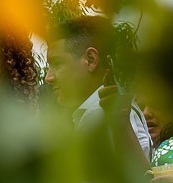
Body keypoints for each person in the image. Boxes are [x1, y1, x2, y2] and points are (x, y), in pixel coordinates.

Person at [44, 15, 151, 168]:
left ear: (91, 60)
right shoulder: (93, 113)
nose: (48, 77)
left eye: (57, 63)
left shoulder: (105, 115)